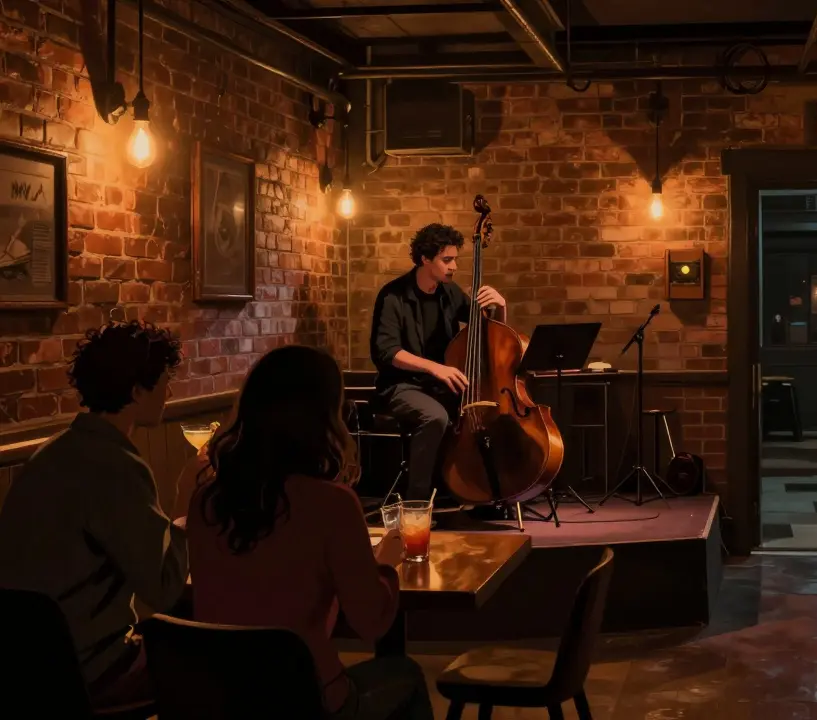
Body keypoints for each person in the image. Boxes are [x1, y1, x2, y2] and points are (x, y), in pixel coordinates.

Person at [186, 345, 431, 719]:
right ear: (324, 417)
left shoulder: (206, 500)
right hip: (308, 701)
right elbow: (369, 622)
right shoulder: (332, 503)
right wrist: (385, 564)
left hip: (219, 700)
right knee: (406, 675)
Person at [0, 321, 187, 708]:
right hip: (91, 672)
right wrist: (187, 502)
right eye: (165, 382)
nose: (169, 393)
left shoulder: (48, 455)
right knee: (207, 662)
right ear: (137, 390)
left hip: (20, 668)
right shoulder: (117, 467)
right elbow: (166, 590)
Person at [370, 222, 508, 500]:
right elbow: (386, 351)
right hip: (402, 386)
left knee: (488, 412)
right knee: (435, 417)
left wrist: (501, 307)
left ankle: (482, 492)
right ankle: (417, 502)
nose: (454, 266)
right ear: (425, 259)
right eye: (447, 260)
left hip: (441, 386)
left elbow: (486, 332)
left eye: (455, 259)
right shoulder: (393, 295)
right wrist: (435, 368)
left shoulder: (450, 293)